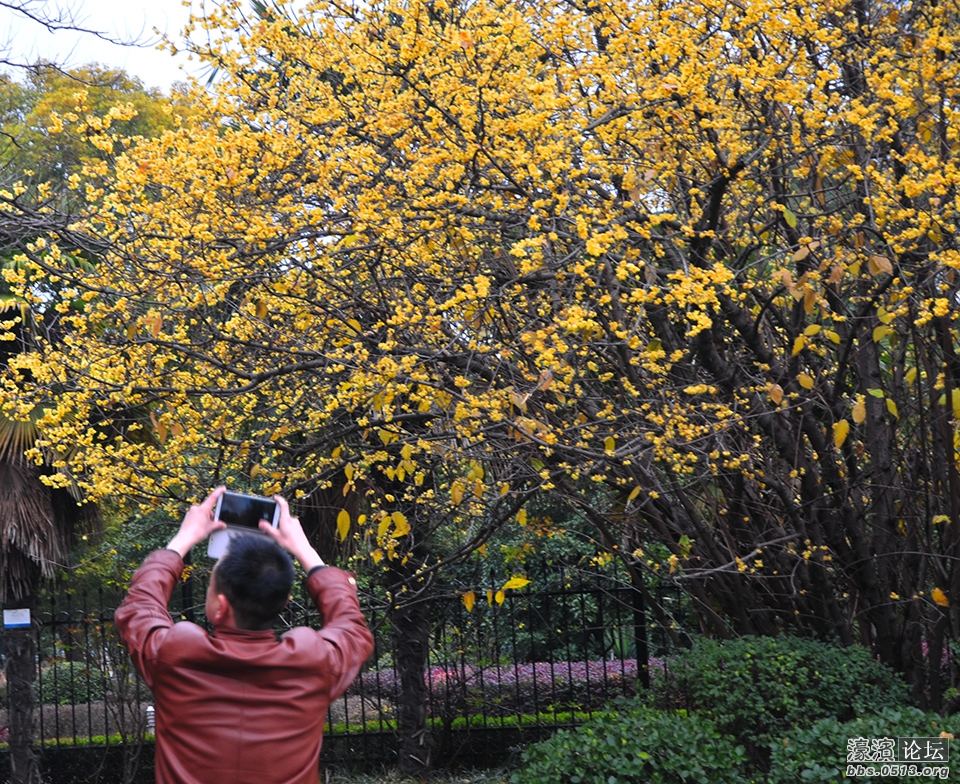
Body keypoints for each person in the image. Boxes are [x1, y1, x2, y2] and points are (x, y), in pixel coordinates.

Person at [115, 486, 374, 784]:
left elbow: (138, 609)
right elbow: (352, 627)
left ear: (220, 606)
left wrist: (183, 540)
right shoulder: (315, 662)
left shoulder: (174, 655)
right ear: (285, 601)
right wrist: (305, 551)